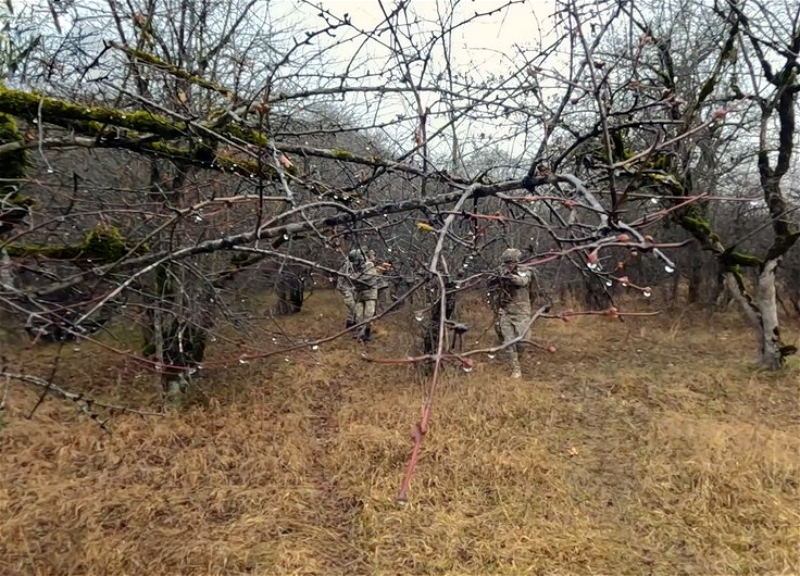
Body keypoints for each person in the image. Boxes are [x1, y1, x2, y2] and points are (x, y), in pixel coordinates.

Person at [488, 247, 532, 379]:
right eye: (506, 262)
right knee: (509, 341)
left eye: (511, 262)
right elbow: (490, 282)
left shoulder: (525, 271)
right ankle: (515, 369)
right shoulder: (500, 271)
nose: (508, 265)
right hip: (505, 311)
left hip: (522, 312)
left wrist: (510, 277)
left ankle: (520, 357)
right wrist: (496, 278)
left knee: (523, 342)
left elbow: (522, 281)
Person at [352, 248, 379, 341]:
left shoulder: (369, 265)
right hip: (359, 293)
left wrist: (358, 278)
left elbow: (368, 276)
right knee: (358, 315)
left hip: (370, 293)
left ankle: (367, 333)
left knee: (369, 314)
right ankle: (360, 333)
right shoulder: (353, 266)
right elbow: (350, 276)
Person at [337, 250, 359, 330]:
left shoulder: (354, 264)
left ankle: (350, 324)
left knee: (352, 307)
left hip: (351, 288)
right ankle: (355, 324)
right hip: (344, 288)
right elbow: (348, 276)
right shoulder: (347, 265)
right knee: (353, 307)